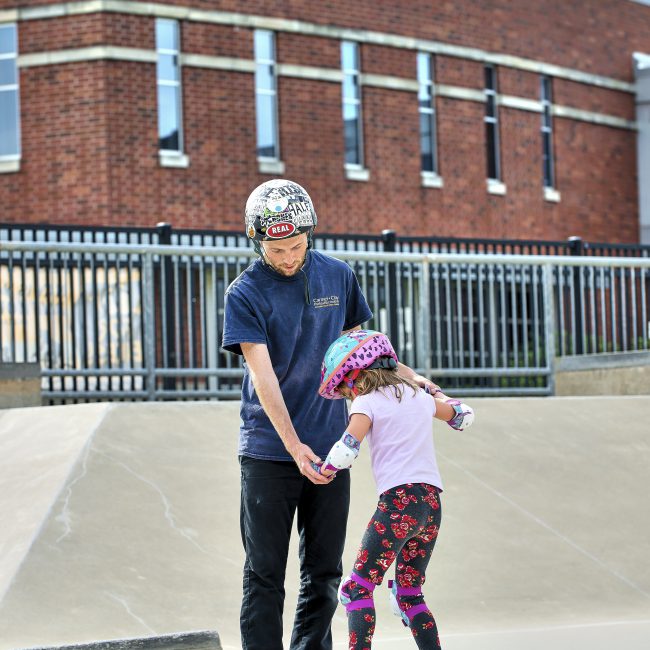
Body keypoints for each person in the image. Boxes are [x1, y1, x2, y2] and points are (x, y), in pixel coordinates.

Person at [222, 179, 439, 650]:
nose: (287, 257)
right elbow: (264, 378)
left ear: (310, 234)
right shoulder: (244, 292)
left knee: (324, 573)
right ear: (257, 242)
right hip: (268, 450)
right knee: (264, 575)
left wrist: (413, 378)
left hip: (329, 450)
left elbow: (362, 354)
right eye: (276, 249)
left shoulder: (337, 275)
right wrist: (292, 445)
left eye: (296, 245)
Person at [315, 329, 474, 650]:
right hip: (431, 506)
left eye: (345, 386)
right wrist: (433, 389)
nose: (347, 393)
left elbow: (347, 448)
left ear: (355, 377)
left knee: (356, 589)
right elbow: (464, 417)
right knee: (409, 592)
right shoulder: (420, 398)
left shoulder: (365, 401)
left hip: (398, 504)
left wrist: (324, 470)